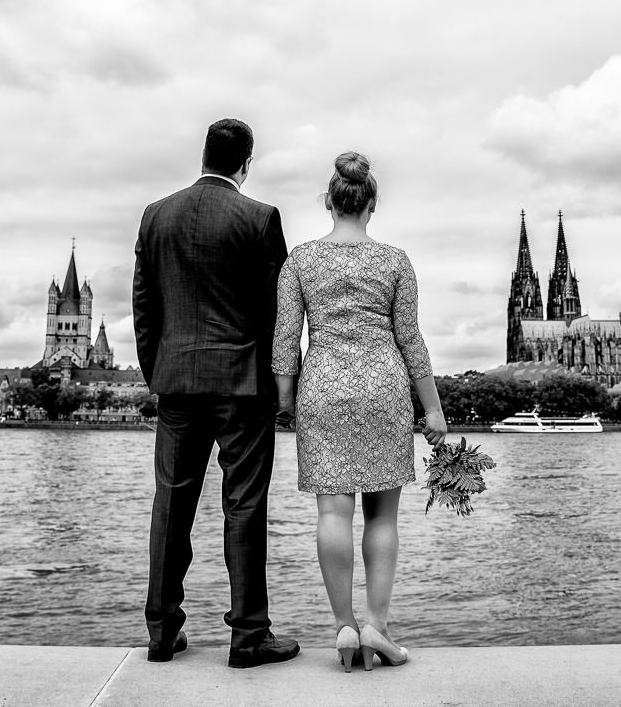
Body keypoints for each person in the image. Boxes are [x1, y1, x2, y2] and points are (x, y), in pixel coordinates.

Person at [132, 119, 300, 669]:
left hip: (176, 382)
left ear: (203, 154)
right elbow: (277, 313)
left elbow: (145, 305)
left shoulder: (155, 215)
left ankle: (162, 631)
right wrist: (281, 385)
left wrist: (159, 370)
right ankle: (249, 636)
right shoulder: (259, 218)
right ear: (245, 163)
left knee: (171, 502)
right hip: (242, 385)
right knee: (245, 507)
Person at [271, 151, 448, 673]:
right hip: (383, 386)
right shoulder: (395, 261)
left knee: (332, 513)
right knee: (382, 516)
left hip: (323, 385)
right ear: (372, 204)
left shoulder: (300, 260)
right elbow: (410, 339)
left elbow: (286, 338)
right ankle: (377, 623)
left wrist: (285, 400)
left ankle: (345, 625)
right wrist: (432, 410)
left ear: (329, 202)